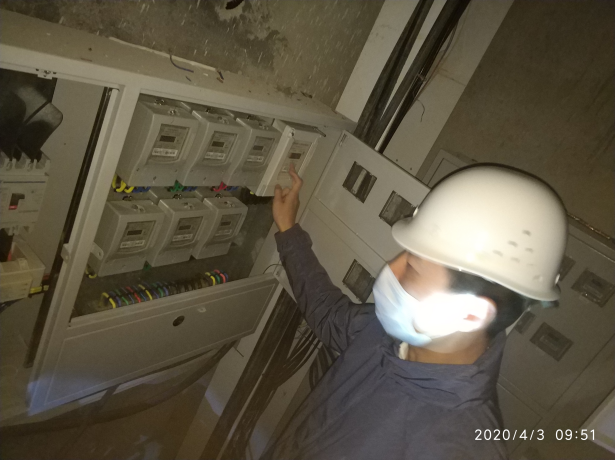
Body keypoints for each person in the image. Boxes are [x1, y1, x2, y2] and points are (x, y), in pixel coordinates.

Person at [262, 163, 568, 460]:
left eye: (413, 268)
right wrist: (289, 231)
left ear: (470, 314)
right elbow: (330, 315)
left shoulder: (456, 449)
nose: (391, 269)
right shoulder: (389, 334)